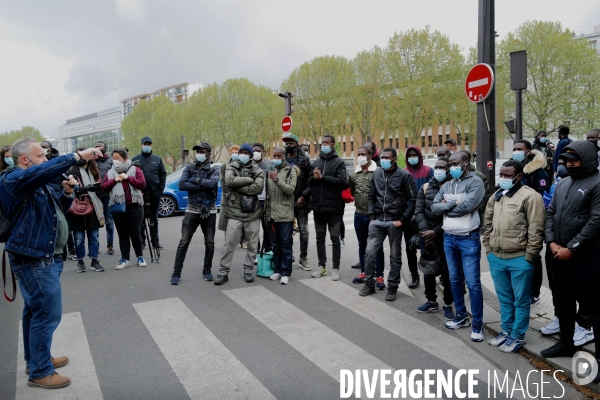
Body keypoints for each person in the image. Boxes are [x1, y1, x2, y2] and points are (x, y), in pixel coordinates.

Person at [0, 137, 100, 389]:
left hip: (45, 256)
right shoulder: (13, 178)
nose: (46, 159)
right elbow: (44, 170)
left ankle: (36, 360)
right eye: (41, 155)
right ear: (25, 159)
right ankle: (40, 371)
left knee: (35, 312)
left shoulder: (34, 180)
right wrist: (76, 157)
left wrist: (66, 193)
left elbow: (53, 211)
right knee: (46, 313)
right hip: (35, 258)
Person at [541, 141, 600, 370]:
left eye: (574, 160)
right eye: (566, 160)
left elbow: (596, 221)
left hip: (588, 256)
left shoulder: (597, 183)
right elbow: (550, 214)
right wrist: (552, 242)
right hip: (559, 253)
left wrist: (572, 247)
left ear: (587, 159)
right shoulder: (563, 183)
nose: (569, 164)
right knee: (563, 303)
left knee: (594, 308)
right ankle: (566, 343)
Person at [483, 160, 545, 353]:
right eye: (501, 174)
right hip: (497, 257)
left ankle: (518, 335)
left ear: (518, 176)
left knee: (521, 300)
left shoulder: (530, 196)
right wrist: (488, 249)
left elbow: (536, 229)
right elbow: (487, 224)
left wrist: (530, 257)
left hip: (520, 258)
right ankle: (507, 331)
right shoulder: (497, 196)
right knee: (504, 298)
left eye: (508, 175)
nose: (503, 178)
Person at [432, 152, 485, 342]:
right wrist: (455, 203)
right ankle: (461, 316)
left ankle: (478, 325)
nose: (452, 167)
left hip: (468, 238)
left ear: (465, 163)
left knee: (472, 283)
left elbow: (469, 205)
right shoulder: (447, 184)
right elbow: (434, 206)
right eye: (450, 164)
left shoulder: (474, 182)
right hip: (449, 238)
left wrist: (448, 204)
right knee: (454, 279)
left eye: (456, 163)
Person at [358, 147, 416, 301]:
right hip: (377, 220)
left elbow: (414, 200)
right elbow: (371, 195)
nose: (383, 160)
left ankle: (392, 287)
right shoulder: (377, 173)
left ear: (395, 159)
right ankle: (369, 283)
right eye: (382, 157)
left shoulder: (404, 175)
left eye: (387, 158)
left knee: (395, 256)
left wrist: (402, 220)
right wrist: (371, 217)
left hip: (394, 221)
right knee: (370, 253)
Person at [170, 142, 219, 285]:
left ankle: (207, 271)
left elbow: (213, 184)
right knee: (184, 241)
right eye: (198, 151)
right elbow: (182, 184)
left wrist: (196, 180)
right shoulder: (189, 167)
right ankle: (176, 272)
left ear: (209, 154)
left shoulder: (214, 169)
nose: (199, 154)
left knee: (209, 242)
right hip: (192, 209)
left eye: (202, 151)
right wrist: (203, 184)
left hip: (209, 209)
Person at [215, 143, 264, 285]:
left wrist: (238, 187)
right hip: (234, 212)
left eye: (245, 152)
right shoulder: (231, 166)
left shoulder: (257, 169)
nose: (242, 154)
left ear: (250, 155)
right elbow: (229, 181)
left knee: (253, 245)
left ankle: (248, 270)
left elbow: (258, 188)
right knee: (229, 244)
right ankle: (223, 272)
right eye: (241, 152)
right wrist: (249, 180)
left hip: (252, 213)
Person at [414, 157, 455, 320]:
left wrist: (436, 232)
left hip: (446, 235)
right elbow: (419, 211)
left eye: (442, 167)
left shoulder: (454, 188)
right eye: (436, 167)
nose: (438, 170)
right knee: (428, 268)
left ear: (448, 169)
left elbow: (453, 213)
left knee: (447, 271)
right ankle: (431, 300)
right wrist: (426, 232)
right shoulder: (426, 187)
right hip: (426, 235)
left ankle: (448, 303)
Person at [511, 139, 550, 306]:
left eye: (519, 149)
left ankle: (534, 293)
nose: (516, 151)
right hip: (516, 221)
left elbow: (543, 198)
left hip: (532, 220)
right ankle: (522, 291)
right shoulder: (514, 168)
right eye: (514, 148)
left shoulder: (538, 171)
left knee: (533, 257)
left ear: (528, 151)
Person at [308, 135, 349, 281]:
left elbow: (342, 182)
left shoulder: (339, 162)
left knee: (335, 239)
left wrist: (323, 177)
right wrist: (314, 177)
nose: (324, 144)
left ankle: (336, 268)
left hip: (333, 207)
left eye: (327, 142)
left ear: (332, 144)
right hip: (318, 208)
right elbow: (310, 183)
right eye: (322, 142)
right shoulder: (316, 162)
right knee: (319, 238)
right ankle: (321, 266)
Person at [101, 148, 147, 270]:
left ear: (125, 159)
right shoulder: (110, 173)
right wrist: (115, 180)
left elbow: (141, 184)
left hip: (134, 206)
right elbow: (104, 187)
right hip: (118, 207)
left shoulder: (134, 169)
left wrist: (128, 178)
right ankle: (125, 259)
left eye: (118, 158)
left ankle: (140, 256)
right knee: (123, 234)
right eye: (113, 158)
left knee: (135, 233)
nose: (115, 161)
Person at [350, 146, 385, 289]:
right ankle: (364, 272)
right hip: (359, 214)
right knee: (362, 245)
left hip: (375, 216)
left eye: (364, 154)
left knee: (377, 247)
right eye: (359, 154)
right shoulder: (354, 174)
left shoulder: (378, 172)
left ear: (370, 156)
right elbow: (353, 191)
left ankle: (379, 275)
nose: (361, 156)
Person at [65, 151, 105, 273]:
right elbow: (70, 189)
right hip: (77, 209)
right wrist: (85, 189)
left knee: (94, 236)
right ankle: (80, 261)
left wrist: (99, 189)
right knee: (79, 238)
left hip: (93, 208)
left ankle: (94, 261)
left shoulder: (94, 170)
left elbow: (101, 189)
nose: (82, 159)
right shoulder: (71, 171)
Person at [265, 147, 298, 285]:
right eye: (275, 155)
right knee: (275, 246)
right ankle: (277, 270)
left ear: (284, 157)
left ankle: (286, 272)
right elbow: (268, 194)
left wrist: (277, 180)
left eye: (279, 156)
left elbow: (291, 190)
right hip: (271, 215)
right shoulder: (271, 171)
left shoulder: (290, 171)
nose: (276, 158)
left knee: (286, 245)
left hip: (285, 215)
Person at [404, 145, 434, 288]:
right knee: (409, 248)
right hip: (409, 216)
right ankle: (414, 276)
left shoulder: (428, 171)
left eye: (414, 155)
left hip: (425, 216)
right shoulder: (404, 173)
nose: (412, 158)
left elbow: (432, 192)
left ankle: (429, 276)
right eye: (409, 155)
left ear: (419, 155)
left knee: (426, 248)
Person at [282, 133, 313, 271]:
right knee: (287, 231)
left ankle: (303, 258)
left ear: (297, 144)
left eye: (291, 143)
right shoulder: (281, 160)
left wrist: (304, 196)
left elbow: (311, 181)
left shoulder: (304, 160)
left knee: (303, 230)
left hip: (301, 201)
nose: (289, 146)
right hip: (285, 201)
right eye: (287, 144)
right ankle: (290, 257)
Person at [132, 136, 166, 249]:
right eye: (145, 144)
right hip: (140, 194)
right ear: (141, 145)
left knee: (154, 219)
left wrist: (160, 191)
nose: (147, 146)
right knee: (141, 219)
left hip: (154, 193)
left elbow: (163, 174)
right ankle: (142, 241)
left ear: (151, 145)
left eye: (149, 144)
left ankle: (155, 241)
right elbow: (132, 176)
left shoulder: (157, 159)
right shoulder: (135, 159)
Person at [94, 142, 115, 255]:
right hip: (95, 196)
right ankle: (95, 246)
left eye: (100, 146)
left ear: (105, 149)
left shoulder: (110, 161)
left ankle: (110, 245)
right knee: (95, 222)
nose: (98, 148)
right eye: (96, 146)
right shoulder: (91, 161)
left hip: (107, 195)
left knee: (109, 221)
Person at [253, 142, 273, 253]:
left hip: (266, 201)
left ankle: (268, 251)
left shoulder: (269, 165)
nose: (256, 153)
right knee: (253, 230)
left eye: (258, 151)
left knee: (268, 229)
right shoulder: (248, 165)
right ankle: (255, 252)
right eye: (254, 151)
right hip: (253, 202)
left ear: (263, 152)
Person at [218, 145, 240, 234]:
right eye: (232, 152)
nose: (234, 154)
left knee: (240, 220)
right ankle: (228, 240)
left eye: (236, 152)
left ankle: (243, 240)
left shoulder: (242, 165)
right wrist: (228, 193)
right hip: (228, 196)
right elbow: (222, 180)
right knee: (227, 220)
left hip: (240, 195)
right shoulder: (224, 166)